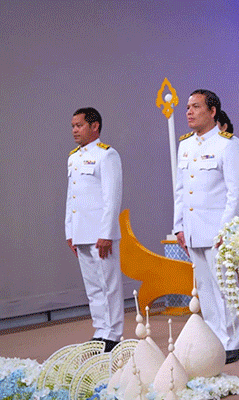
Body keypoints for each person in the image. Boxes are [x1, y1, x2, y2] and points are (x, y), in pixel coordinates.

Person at [173, 89, 239, 364]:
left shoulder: (228, 144)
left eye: (196, 107)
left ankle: (231, 343)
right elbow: (181, 190)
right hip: (193, 230)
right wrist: (179, 226)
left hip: (218, 232)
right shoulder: (185, 145)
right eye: (188, 107)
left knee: (224, 287)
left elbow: (236, 192)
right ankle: (216, 341)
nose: (189, 112)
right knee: (205, 289)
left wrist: (226, 230)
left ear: (212, 111)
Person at [65, 107, 124, 352]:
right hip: (81, 231)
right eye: (73, 126)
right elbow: (71, 197)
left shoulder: (106, 155)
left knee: (108, 285)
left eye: (79, 125)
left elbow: (112, 197)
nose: (74, 130)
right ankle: (100, 329)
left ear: (95, 126)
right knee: (93, 287)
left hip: (101, 233)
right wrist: (70, 231)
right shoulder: (73, 157)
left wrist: (106, 233)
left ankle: (113, 333)